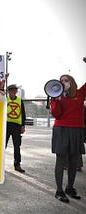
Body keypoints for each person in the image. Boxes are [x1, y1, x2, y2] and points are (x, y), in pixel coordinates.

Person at [50, 74, 85, 203]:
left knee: (74, 160)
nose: (63, 82)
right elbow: (56, 114)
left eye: (66, 80)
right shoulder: (55, 96)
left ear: (72, 82)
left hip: (77, 129)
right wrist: (57, 100)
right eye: (61, 81)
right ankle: (59, 190)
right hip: (61, 129)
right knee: (61, 159)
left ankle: (70, 188)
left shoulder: (80, 94)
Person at [5, 84, 26, 173]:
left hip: (16, 125)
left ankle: (17, 164)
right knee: (3, 145)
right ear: (8, 91)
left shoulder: (19, 100)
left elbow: (23, 113)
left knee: (17, 146)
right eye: (11, 90)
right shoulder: (5, 99)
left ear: (16, 91)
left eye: (14, 90)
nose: (13, 92)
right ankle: (0, 164)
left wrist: (23, 125)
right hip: (6, 125)